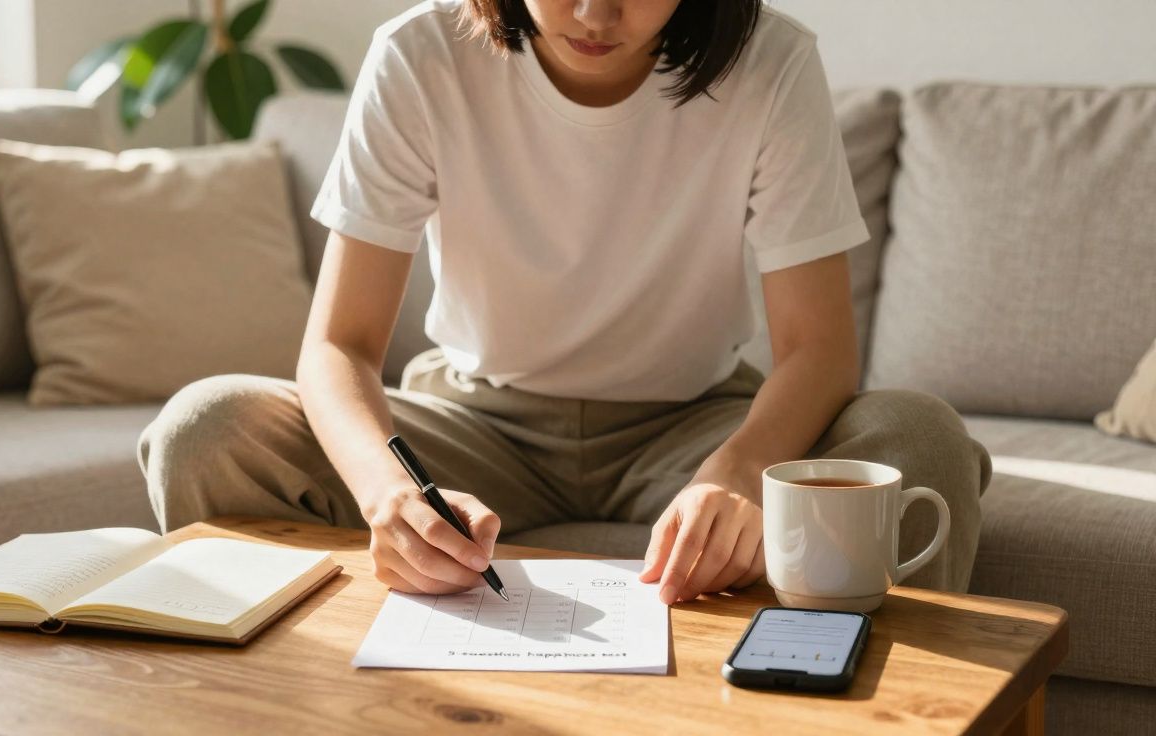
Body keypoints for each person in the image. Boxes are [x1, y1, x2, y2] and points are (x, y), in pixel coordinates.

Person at [139, 0, 992, 605]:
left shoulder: (770, 62)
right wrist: (387, 493)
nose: (593, 13)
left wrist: (734, 477)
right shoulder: (420, 54)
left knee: (916, 438)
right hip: (476, 424)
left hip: (691, 426)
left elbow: (818, 349)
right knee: (208, 430)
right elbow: (339, 344)